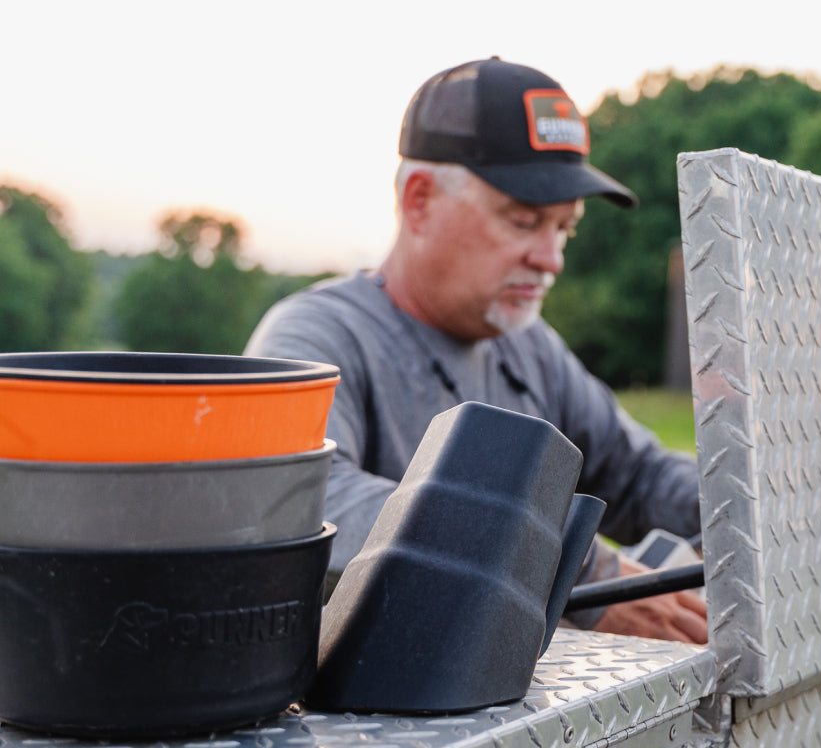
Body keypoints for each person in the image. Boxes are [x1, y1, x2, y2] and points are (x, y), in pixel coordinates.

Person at [245, 57, 706, 643]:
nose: (551, 258)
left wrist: (762, 500)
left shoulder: (529, 347)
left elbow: (640, 476)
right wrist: (570, 564)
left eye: (565, 228)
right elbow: (303, 499)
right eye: (523, 221)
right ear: (419, 200)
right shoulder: (314, 337)